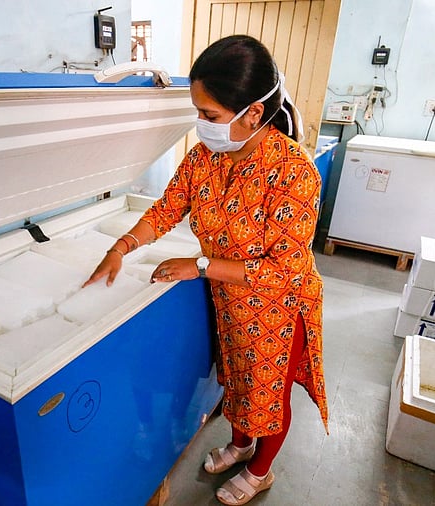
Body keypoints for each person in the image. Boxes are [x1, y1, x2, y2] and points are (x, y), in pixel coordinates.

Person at [83, 34, 328, 505]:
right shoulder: (203, 160)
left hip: (278, 310)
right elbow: (167, 208)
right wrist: (124, 245)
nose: (201, 126)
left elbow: (285, 271)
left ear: (252, 114)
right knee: (234, 380)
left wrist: (198, 265)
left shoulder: (295, 172)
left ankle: (259, 471)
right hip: (229, 300)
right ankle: (239, 446)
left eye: (209, 116)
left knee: (268, 398)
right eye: (197, 112)